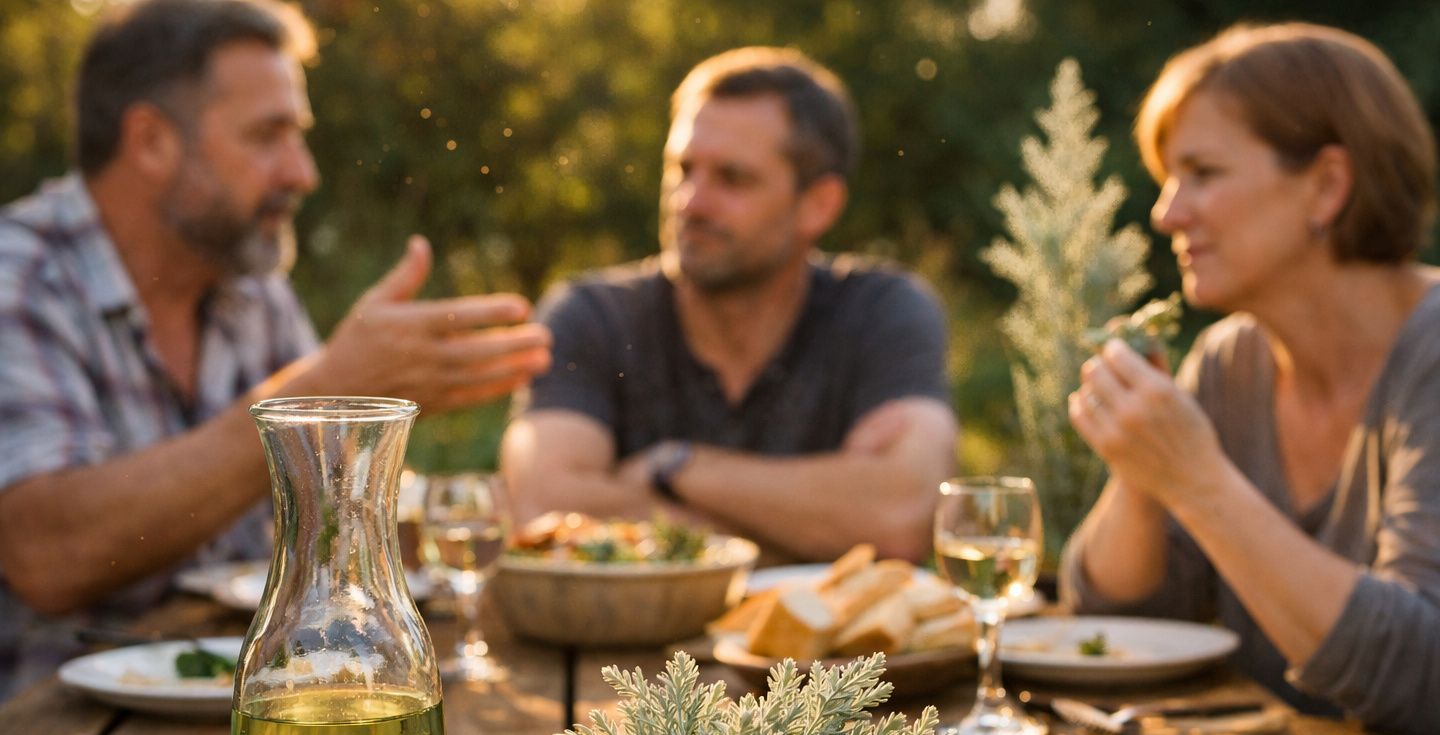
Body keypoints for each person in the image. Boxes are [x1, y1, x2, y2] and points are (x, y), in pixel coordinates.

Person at [0, 0, 552, 697]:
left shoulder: (251, 290)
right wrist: (321, 392)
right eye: (269, 135)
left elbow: (332, 522)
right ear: (150, 141)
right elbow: (47, 554)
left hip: (254, 712)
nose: (302, 173)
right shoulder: (17, 279)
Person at [1060, 22, 1440, 735]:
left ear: (1327, 186)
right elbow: (1117, 623)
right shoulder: (1231, 361)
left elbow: (1425, 675)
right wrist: (1141, 477)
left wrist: (1197, 481)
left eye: (1202, 173)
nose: (1166, 214)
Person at [499, 47, 957, 564]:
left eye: (733, 178)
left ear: (818, 205)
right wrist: (811, 530)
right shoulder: (592, 317)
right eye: (682, 169)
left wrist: (673, 467)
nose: (690, 202)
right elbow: (544, 509)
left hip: (832, 651)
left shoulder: (883, 312)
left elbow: (903, 520)